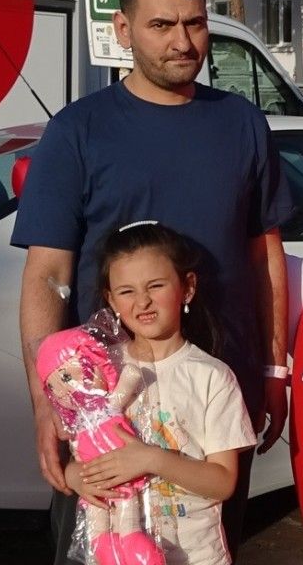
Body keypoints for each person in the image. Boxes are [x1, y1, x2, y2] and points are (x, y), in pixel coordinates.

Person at [13, 0, 292, 564]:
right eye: (161, 25)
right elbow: (48, 275)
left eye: (194, 23)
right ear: (124, 29)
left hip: (215, 392)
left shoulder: (242, 125)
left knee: (204, 548)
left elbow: (265, 257)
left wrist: (273, 371)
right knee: (105, 548)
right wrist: (47, 404)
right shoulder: (79, 131)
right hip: (105, 402)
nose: (182, 42)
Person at [69, 221, 257, 565]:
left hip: (196, 557)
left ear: (187, 287)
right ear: (111, 299)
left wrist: (150, 459)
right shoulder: (99, 372)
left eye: (155, 285)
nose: (143, 301)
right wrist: (79, 480)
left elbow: (223, 481)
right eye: (126, 291)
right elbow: (77, 460)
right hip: (117, 556)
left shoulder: (212, 377)